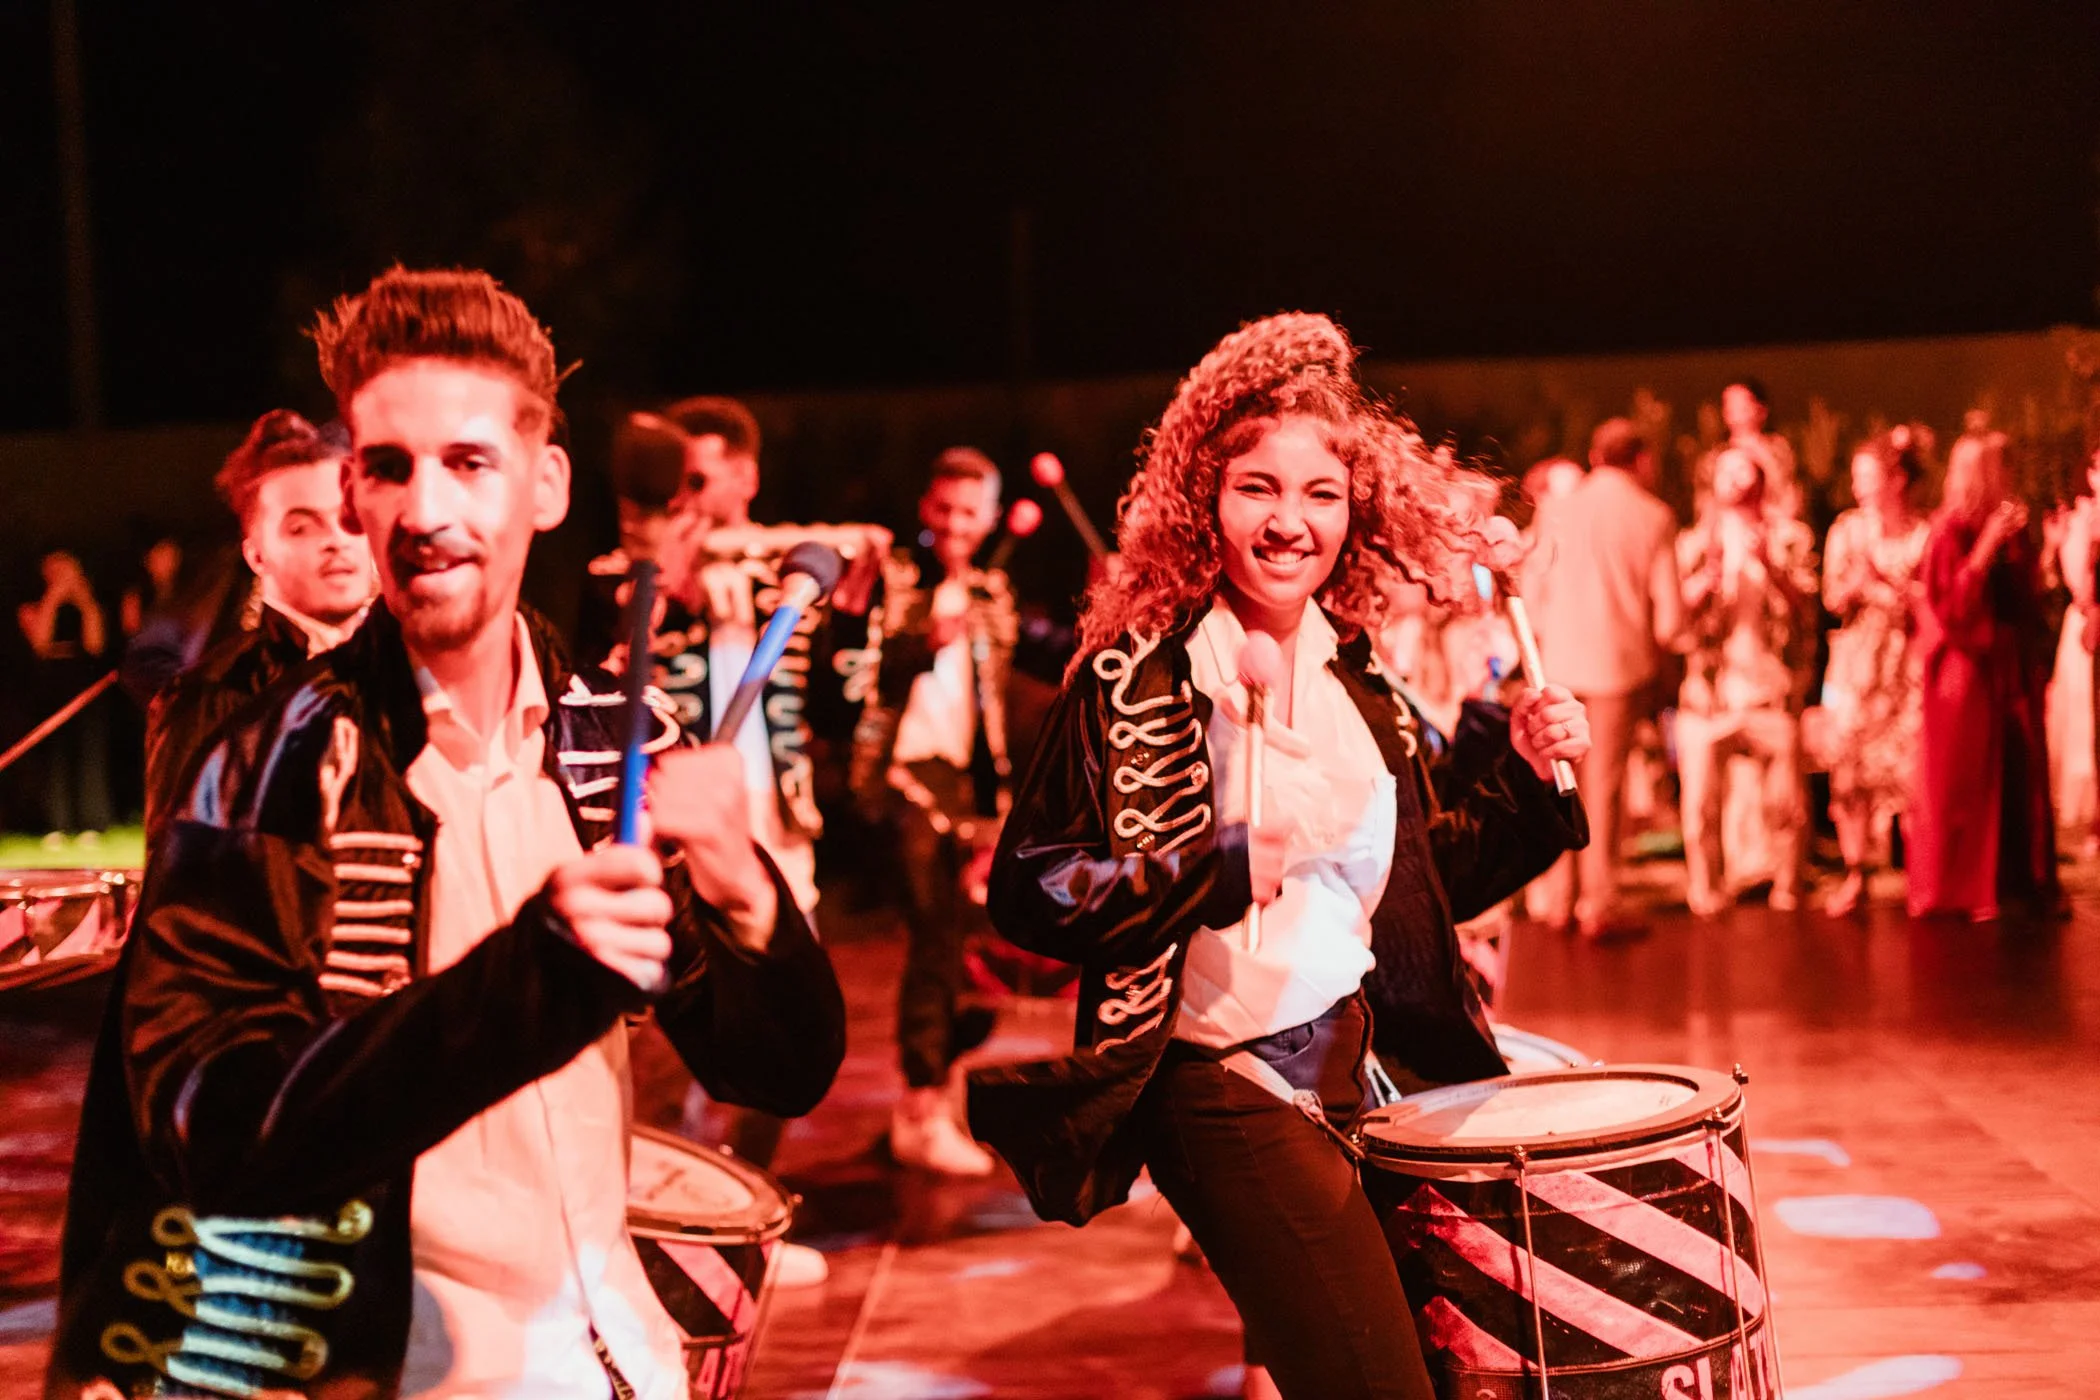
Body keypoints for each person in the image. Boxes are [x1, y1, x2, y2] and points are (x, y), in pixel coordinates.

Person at [47, 266, 845, 1400]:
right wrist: (540, 972)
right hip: (397, 1372)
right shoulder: (262, 768)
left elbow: (785, 1065)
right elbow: (208, 1124)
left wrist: (744, 891)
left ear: (548, 484)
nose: (426, 511)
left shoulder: (610, 744)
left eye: (470, 462)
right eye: (387, 467)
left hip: (626, 1358)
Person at [968, 313, 1590, 1400]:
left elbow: (1424, 888)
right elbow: (1030, 887)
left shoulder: (1362, 681)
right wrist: (1202, 873)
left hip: (1361, 1068)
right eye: (1258, 486)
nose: (1290, 521)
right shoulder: (1136, 679)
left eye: (1321, 495)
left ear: (1357, 511)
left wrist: (1530, 779)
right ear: (1203, 496)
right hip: (1223, 1083)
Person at [850, 447, 1016, 1176]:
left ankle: (932, 1096)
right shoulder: (892, 580)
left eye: (969, 512)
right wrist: (920, 643)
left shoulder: (990, 591)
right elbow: (858, 673)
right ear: (926, 508)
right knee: (933, 939)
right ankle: (922, 1105)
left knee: (965, 951)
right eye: (943, 508)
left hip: (964, 789)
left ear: (990, 518)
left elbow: (1014, 679)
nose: (953, 523)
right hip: (900, 780)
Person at [138, 409, 377, 846]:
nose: (335, 539)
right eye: (301, 527)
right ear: (256, 556)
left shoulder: (423, 674)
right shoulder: (215, 698)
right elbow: (184, 892)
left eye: (351, 519)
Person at [1521, 419, 1683, 936]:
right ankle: (1599, 900)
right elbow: (1671, 620)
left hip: (1561, 666)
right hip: (1618, 666)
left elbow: (1533, 594)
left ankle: (1556, 899)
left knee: (1561, 781)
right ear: (1641, 460)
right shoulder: (1653, 516)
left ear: (1595, 457)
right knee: (1604, 788)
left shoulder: (1558, 511)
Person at [1909, 430, 2058, 919]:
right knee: (1966, 783)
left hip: (2005, 670)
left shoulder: (2007, 527)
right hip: (1964, 673)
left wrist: (2023, 548)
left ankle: (2016, 882)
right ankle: (1961, 889)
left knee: (2016, 776)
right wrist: (1987, 547)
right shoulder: (1949, 531)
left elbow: (2024, 603)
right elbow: (1952, 608)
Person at [1675, 443, 1818, 916]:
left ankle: (1789, 885)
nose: (1734, 478)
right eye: (1725, 470)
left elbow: (1809, 609)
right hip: (1709, 694)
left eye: (1743, 470)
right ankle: (1706, 892)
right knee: (1700, 807)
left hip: (1769, 690)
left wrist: (1773, 568)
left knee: (1787, 803)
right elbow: (1675, 615)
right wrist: (1705, 582)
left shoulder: (1790, 537)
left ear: (1761, 480)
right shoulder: (1694, 544)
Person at [1817, 426, 1932, 915]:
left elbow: (1929, 601)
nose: (1860, 485)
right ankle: (1856, 871)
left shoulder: (1923, 533)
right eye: (1856, 476)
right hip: (1855, 669)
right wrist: (1857, 586)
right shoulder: (1846, 530)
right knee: (1849, 774)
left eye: (1869, 476)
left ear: (1897, 480)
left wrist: (1883, 582)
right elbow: (1832, 598)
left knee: (1907, 772)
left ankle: (1917, 874)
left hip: (1903, 668)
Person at [16, 550, 111, 846]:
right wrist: (55, 595)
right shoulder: (33, 601)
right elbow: (40, 643)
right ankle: (56, 824)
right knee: (55, 757)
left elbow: (96, 643)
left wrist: (82, 598)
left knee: (89, 752)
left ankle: (91, 823)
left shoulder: (90, 601)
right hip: (50, 682)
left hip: (84, 680)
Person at [2045, 445, 2100, 853]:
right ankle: (2091, 823)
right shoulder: (2081, 519)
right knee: (2082, 721)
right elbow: (2073, 582)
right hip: (2085, 624)